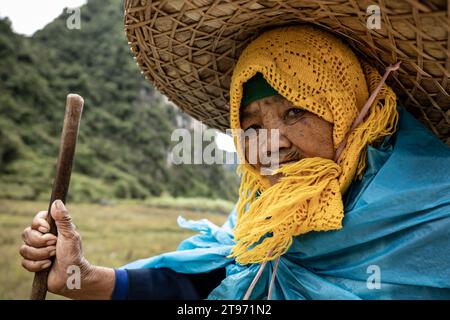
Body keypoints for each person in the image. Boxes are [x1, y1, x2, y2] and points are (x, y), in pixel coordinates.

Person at [20, 25, 450, 299]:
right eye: (251, 125)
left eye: (295, 112)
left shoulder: (435, 215)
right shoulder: (261, 216)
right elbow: (214, 283)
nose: (270, 145)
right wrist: (86, 278)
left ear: (350, 112)